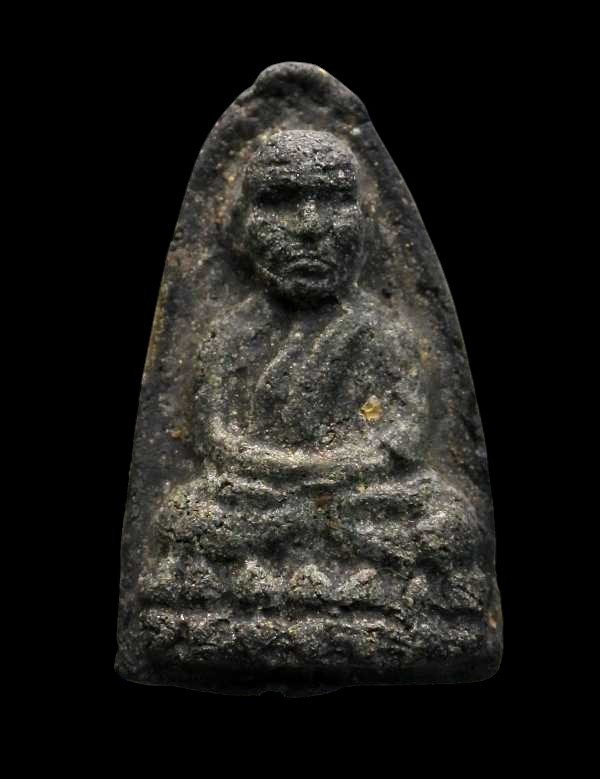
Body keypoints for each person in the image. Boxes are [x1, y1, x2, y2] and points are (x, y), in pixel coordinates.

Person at [138, 131, 490, 668]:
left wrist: (331, 474)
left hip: (361, 498)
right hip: (261, 497)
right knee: (184, 517)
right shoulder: (230, 335)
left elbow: (402, 438)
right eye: (280, 201)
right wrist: (292, 473)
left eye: (332, 202)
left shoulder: (384, 333)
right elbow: (217, 439)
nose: (309, 226)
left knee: (448, 522)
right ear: (239, 226)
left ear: (365, 224)